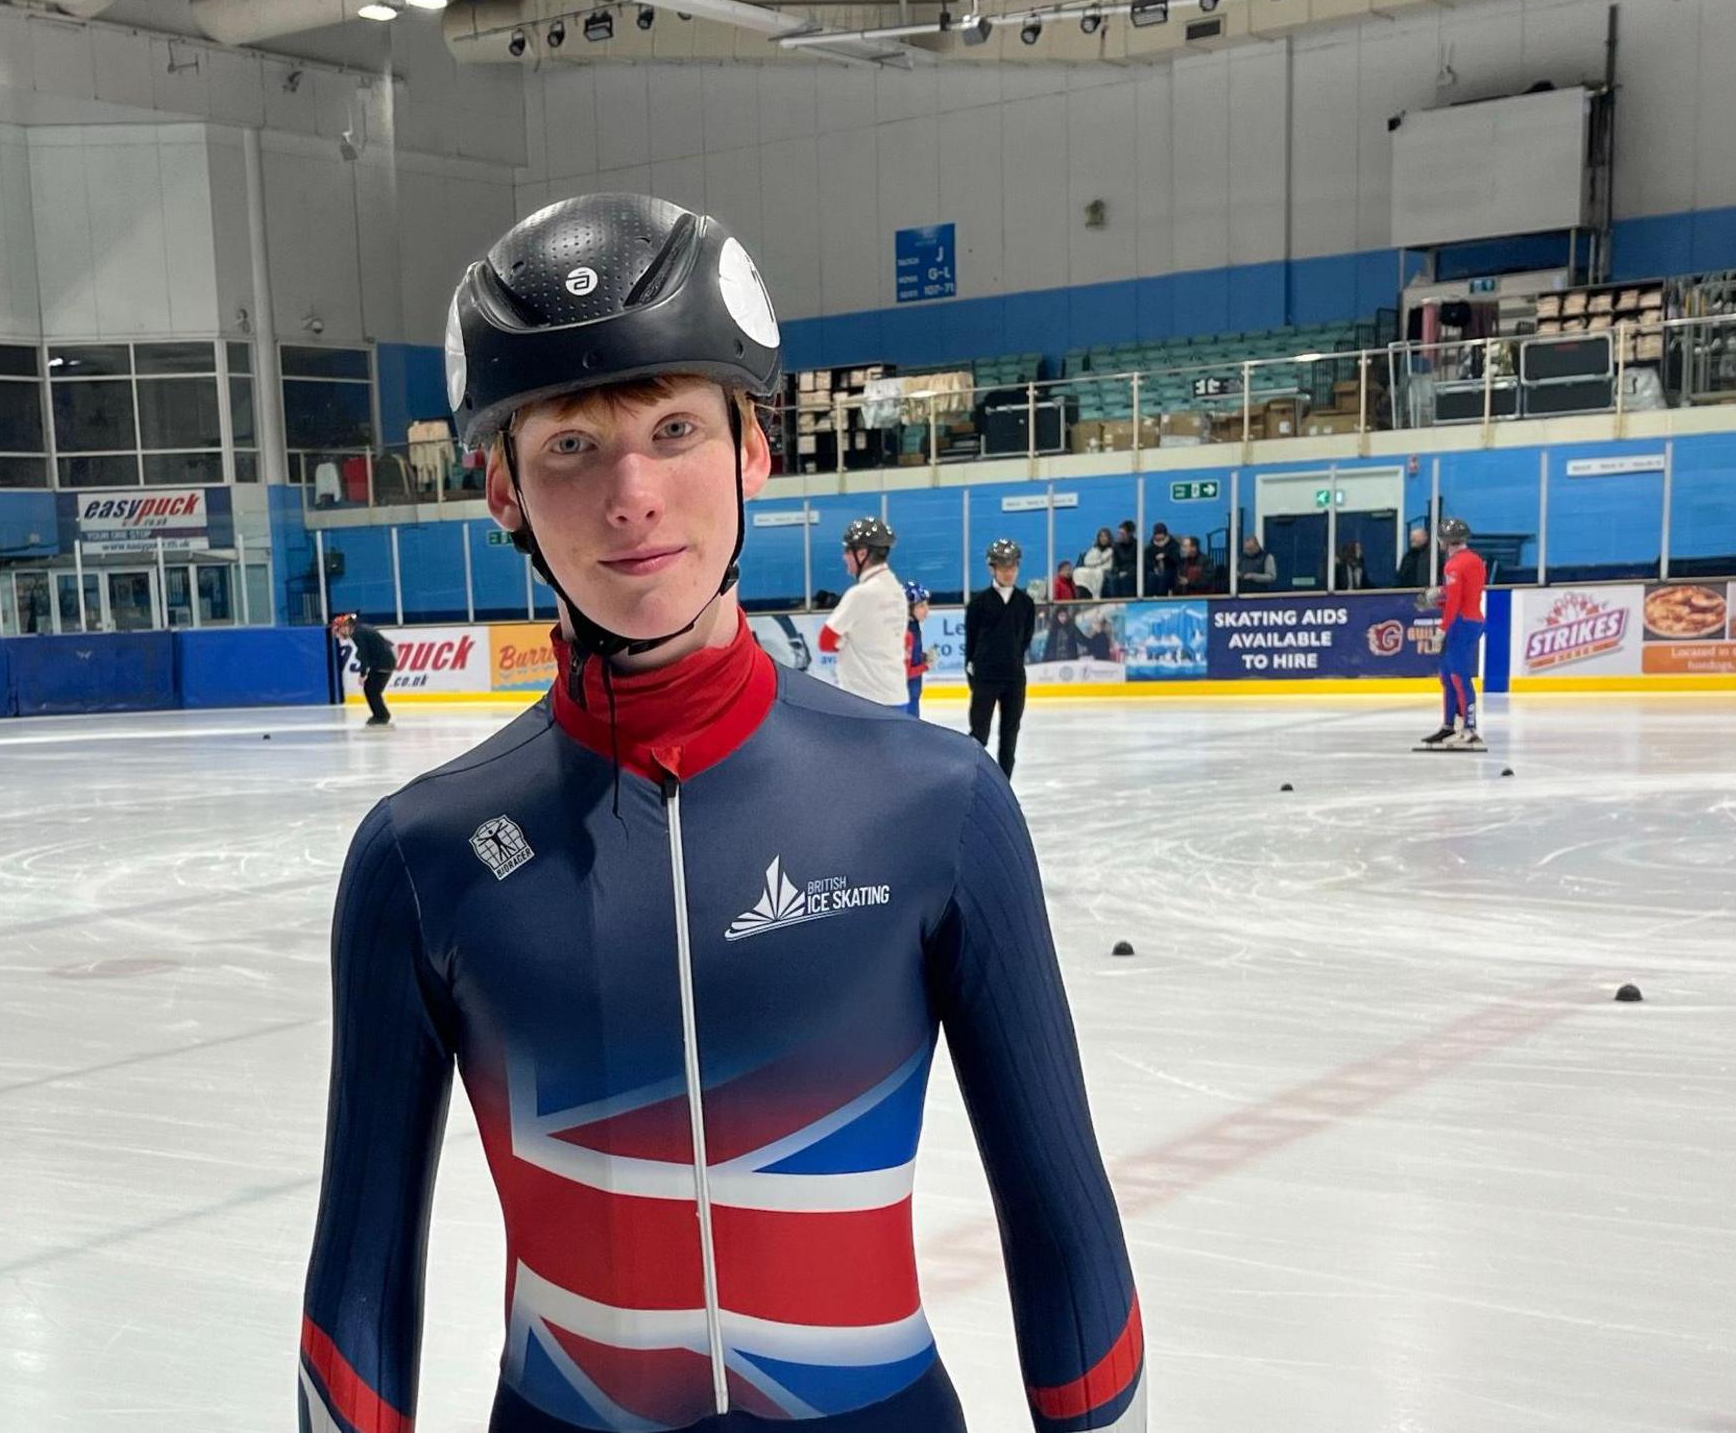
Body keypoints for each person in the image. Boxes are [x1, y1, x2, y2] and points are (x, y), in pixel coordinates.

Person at [302, 193, 1145, 1433]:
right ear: (502, 491)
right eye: (572, 447)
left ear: (755, 449)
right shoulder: (422, 860)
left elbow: (1066, 1230)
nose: (633, 493)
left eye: (676, 427)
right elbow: (357, 1287)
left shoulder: (936, 805)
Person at [816, 516, 914, 708]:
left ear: (862, 553)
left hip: (865, 700)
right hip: (896, 695)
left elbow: (825, 641)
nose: (844, 556)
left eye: (847, 550)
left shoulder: (860, 594)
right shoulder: (896, 590)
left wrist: (846, 641)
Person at [965, 537, 1035, 778]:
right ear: (992, 568)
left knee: (1010, 734)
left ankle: (1005, 784)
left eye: (1012, 567)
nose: (1008, 572)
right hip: (986, 677)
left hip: (1014, 678)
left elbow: (1025, 639)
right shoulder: (978, 604)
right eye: (1003, 567)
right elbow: (971, 644)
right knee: (979, 733)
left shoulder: (1026, 604)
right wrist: (975, 678)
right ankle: (974, 780)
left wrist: (1012, 662)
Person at [1419, 517, 1488, 752]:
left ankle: (1470, 729)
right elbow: (1466, 592)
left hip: (1460, 622)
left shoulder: (1453, 565)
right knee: (1447, 676)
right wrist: (1441, 594)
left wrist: (1442, 628)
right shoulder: (1475, 559)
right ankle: (1450, 725)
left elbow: (1456, 601)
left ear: (1443, 541)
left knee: (1458, 676)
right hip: (1473, 619)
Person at [330, 611, 396, 727]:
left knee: (371, 690)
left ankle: (382, 716)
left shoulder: (357, 634)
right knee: (371, 690)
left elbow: (364, 654)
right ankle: (381, 715)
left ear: (345, 627)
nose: (337, 635)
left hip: (383, 663)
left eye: (338, 630)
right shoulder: (360, 629)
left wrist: (362, 674)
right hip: (384, 662)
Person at [903, 581, 932, 716]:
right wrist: (925, 666)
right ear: (908, 608)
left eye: (926, 604)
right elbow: (904, 672)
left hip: (911, 694)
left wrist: (921, 657)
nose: (926, 610)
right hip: (904, 698)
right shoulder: (906, 631)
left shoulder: (914, 627)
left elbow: (909, 659)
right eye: (921, 606)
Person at [1077, 526, 1117, 599]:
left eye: (1105, 536)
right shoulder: (1094, 550)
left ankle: (1096, 596)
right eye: (1101, 536)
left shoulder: (1112, 551)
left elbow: (1109, 566)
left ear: (1109, 538)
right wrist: (1100, 561)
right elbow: (1087, 562)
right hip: (1092, 571)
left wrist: (1096, 566)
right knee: (1079, 572)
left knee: (1098, 573)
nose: (1103, 538)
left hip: (1105, 573)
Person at [1393, 523, 1432, 590]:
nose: (1412, 539)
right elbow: (1402, 575)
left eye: (1416, 537)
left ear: (1425, 538)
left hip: (1425, 591)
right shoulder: (1408, 556)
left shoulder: (1432, 556)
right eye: (1412, 537)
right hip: (1407, 592)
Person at [1143, 523, 1176, 597]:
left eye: (1162, 539)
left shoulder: (1173, 546)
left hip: (1170, 571)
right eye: (1158, 539)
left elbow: (1176, 560)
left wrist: (1165, 556)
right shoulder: (1149, 549)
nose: (1160, 541)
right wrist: (1154, 565)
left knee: (1167, 575)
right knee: (1150, 576)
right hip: (1154, 573)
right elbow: (1147, 563)